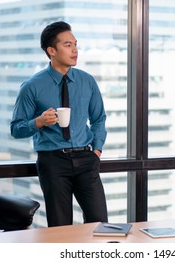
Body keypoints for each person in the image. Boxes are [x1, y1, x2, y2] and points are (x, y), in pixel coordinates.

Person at [10, 21, 108, 227]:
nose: (75, 50)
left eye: (75, 44)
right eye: (67, 45)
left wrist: (96, 150)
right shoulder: (32, 87)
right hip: (53, 162)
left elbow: (98, 118)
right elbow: (16, 128)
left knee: (100, 225)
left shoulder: (87, 81)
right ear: (51, 50)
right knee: (60, 228)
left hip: (86, 159)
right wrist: (38, 122)